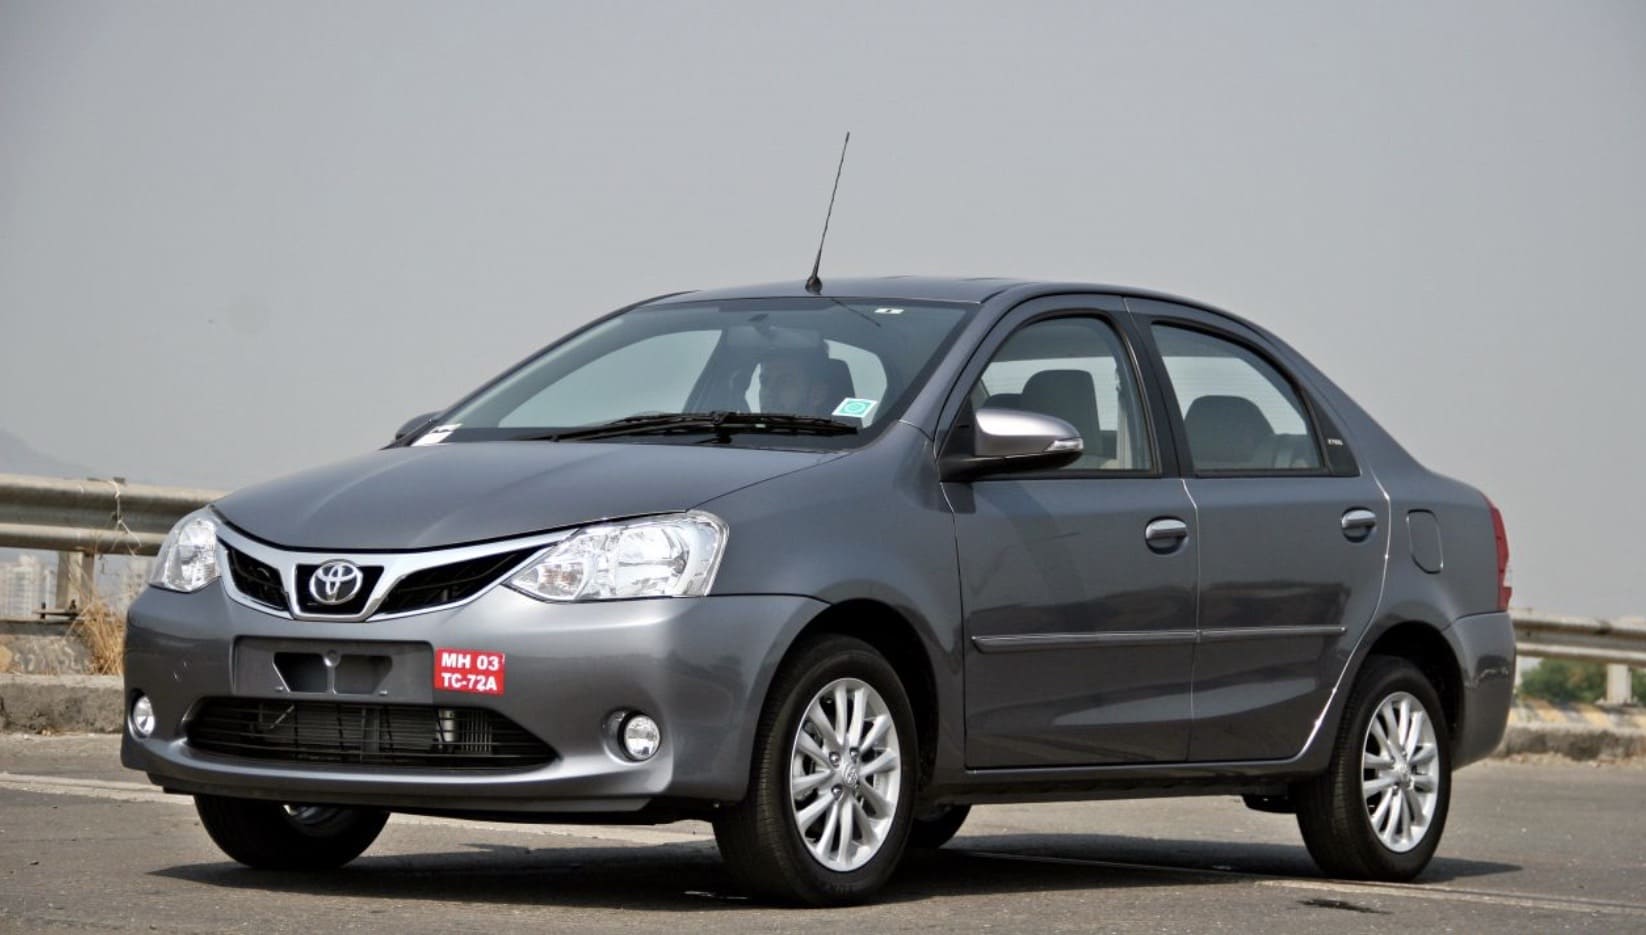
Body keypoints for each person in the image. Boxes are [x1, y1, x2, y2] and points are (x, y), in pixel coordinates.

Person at [757, 347, 835, 417]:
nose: (768, 392)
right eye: (764, 382)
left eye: (784, 382)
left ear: (818, 394)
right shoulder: (748, 432)